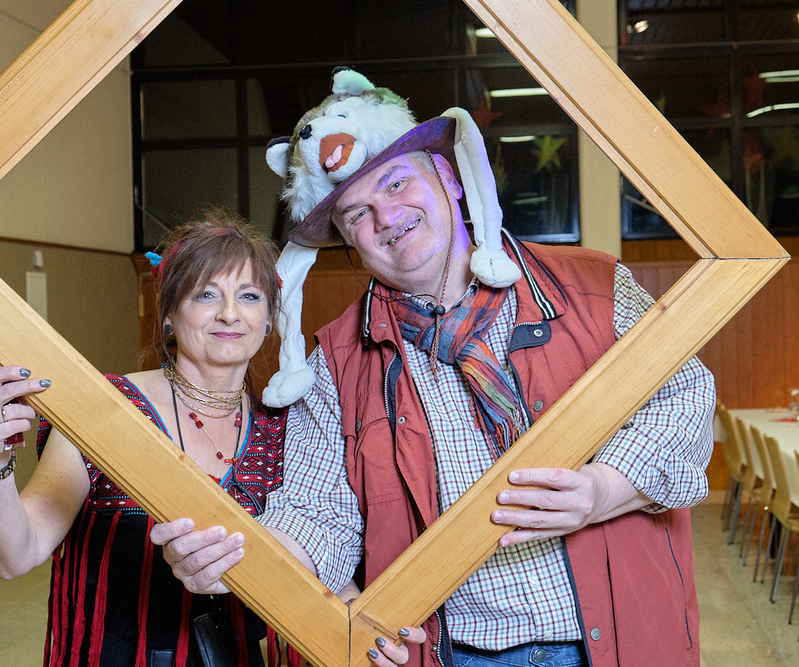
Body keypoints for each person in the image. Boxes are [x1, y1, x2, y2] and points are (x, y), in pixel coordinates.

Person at [155, 117, 715, 667]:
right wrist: (239, 562)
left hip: (626, 639)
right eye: (357, 213)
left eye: (397, 183)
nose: (386, 216)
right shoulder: (334, 363)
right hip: (454, 653)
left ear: (449, 177)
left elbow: (685, 395)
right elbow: (318, 513)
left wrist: (603, 488)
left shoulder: (593, 283)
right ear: (346, 238)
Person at [0, 211, 321, 667]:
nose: (230, 313)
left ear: (269, 318)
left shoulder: (285, 429)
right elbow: (16, 556)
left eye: (250, 296)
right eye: (206, 294)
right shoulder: (106, 410)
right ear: (169, 315)